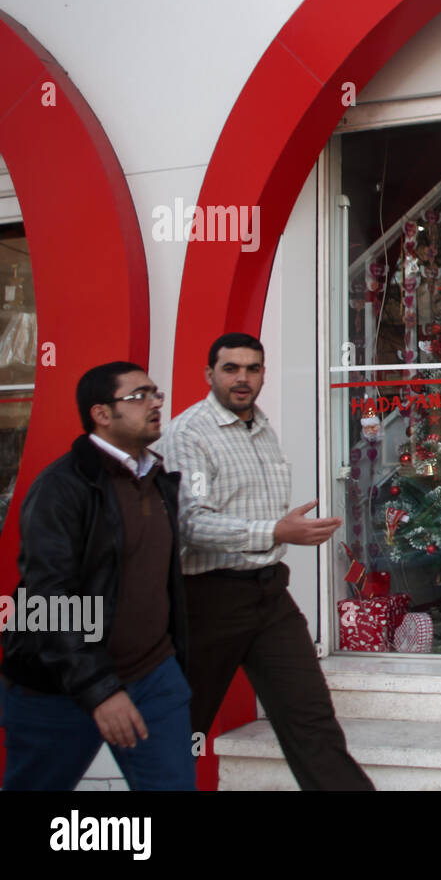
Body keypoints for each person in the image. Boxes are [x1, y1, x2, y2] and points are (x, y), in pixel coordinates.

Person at [159, 332, 373, 790]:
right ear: (209, 374)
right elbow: (191, 524)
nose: (243, 378)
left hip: (269, 595)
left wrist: (282, 533)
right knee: (179, 730)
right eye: (231, 368)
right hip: (208, 600)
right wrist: (277, 531)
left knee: (311, 720)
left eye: (252, 368)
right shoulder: (187, 433)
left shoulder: (262, 427)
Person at [1, 361, 194, 790]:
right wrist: (99, 690)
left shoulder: (157, 479)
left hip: (152, 676)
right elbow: (47, 601)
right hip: (57, 689)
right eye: (139, 396)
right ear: (101, 414)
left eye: (155, 392)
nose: (156, 403)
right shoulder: (63, 487)